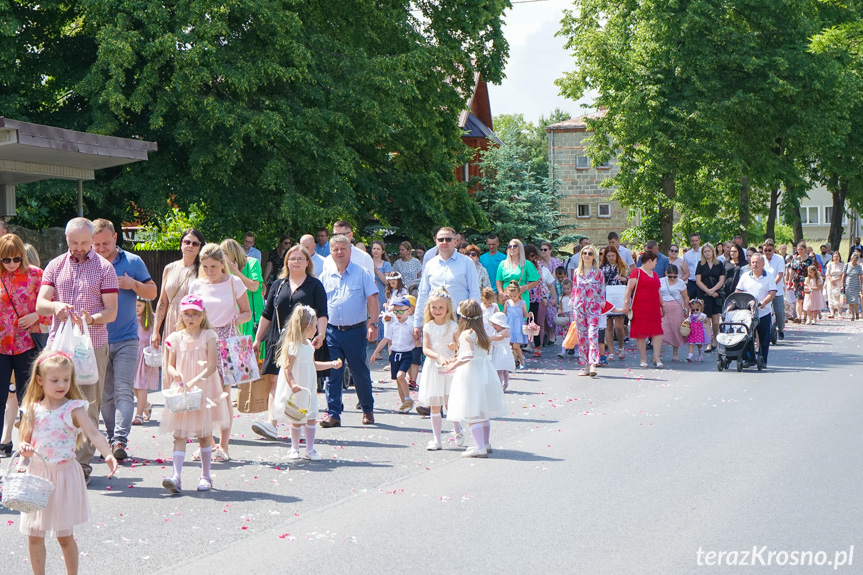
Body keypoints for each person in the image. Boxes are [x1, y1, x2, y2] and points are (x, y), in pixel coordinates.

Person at [18, 350, 118, 573]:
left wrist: (108, 452)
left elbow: (93, 432)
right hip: (37, 477)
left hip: (64, 477)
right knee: (34, 536)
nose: (61, 384)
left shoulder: (74, 408)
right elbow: (24, 441)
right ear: (40, 380)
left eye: (66, 379)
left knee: (65, 537)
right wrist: (24, 450)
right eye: (55, 380)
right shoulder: (32, 409)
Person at [36, 218, 118, 484]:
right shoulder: (55, 265)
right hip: (58, 348)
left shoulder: (104, 268)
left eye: (84, 242)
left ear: (92, 240)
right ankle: (55, 461)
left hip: (92, 345)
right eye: (74, 242)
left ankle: (81, 467)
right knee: (53, 403)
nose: (79, 247)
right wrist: (56, 307)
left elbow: (111, 312)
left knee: (88, 406)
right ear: (66, 238)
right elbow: (40, 303)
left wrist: (91, 319)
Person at [92, 219, 158, 459]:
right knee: (105, 394)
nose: (100, 248)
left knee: (123, 390)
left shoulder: (132, 261)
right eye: (96, 244)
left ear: (115, 238)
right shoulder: (88, 264)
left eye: (105, 243)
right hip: (98, 338)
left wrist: (133, 284)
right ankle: (111, 439)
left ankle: (120, 440)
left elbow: (152, 292)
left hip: (128, 338)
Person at [251, 245, 327, 440]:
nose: (295, 262)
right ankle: (272, 424)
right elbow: (266, 314)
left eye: (300, 259)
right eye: (292, 259)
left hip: (303, 340)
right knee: (275, 380)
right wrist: (258, 339)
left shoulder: (315, 285)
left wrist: (321, 334)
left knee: (299, 381)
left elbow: (322, 313)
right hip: (278, 338)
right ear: (286, 262)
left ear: (307, 262)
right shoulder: (278, 285)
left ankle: (299, 424)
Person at [159, 295, 230, 493]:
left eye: (195, 314)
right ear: (181, 315)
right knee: (179, 434)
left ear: (202, 315)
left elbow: (212, 366)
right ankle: (176, 477)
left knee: (204, 434)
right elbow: (170, 366)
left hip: (203, 388)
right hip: (182, 390)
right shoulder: (175, 337)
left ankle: (206, 476)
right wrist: (178, 377)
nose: (190, 318)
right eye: (187, 314)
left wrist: (193, 381)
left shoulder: (208, 336)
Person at [188, 243, 251, 461]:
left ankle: (224, 446)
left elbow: (247, 313)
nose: (209, 271)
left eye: (213, 266)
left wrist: (237, 318)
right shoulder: (196, 285)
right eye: (205, 266)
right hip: (202, 339)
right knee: (202, 395)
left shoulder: (234, 282)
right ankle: (206, 443)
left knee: (223, 395)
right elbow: (189, 314)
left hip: (226, 341)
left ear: (223, 264)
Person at [319, 235, 379, 427]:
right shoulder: (325, 276)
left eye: (342, 249)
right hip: (331, 332)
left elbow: (372, 300)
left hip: (355, 331)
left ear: (350, 251)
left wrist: (373, 324)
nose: (339, 252)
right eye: (335, 249)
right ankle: (334, 413)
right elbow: (320, 306)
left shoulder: (361, 273)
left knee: (359, 372)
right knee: (333, 374)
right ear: (331, 252)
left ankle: (367, 410)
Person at [272, 305, 342, 461]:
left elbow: (313, 365)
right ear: (309, 326)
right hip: (298, 388)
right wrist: (293, 384)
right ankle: (294, 448)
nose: (317, 328)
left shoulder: (309, 346)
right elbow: (287, 369)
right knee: (296, 418)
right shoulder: (293, 346)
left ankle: (310, 449)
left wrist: (331, 364)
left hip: (308, 387)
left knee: (310, 417)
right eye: (316, 325)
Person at [440, 299, 506, 458]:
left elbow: (468, 355)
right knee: (482, 410)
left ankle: (479, 447)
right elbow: (474, 354)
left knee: (472, 411)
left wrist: (452, 366)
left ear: (462, 317)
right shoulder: (481, 332)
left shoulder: (465, 334)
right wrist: (455, 359)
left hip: (471, 374)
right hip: (484, 372)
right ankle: (486, 443)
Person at [0, 234, 48, 454]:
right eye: (6, 260)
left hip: (26, 344)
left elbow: (48, 309)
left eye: (16, 259)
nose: (11, 264)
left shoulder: (36, 276)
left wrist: (35, 316)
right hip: (0, 346)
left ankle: (28, 448)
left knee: (28, 400)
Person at [414, 227, 481, 342]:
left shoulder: (466, 262)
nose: (444, 242)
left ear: (456, 242)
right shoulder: (430, 264)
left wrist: (475, 320)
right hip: (435, 316)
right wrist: (417, 323)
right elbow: (423, 294)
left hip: (460, 318)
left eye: (448, 239)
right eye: (441, 239)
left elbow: (474, 292)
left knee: (460, 355)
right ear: (436, 241)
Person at [416, 289, 461, 450]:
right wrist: (437, 356)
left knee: (450, 403)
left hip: (450, 367)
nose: (437, 311)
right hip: (433, 367)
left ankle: (457, 429)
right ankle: (437, 439)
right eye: (434, 308)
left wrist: (454, 347)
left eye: (441, 308)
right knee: (435, 404)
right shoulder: (428, 326)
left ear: (448, 309)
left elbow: (461, 347)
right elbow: (425, 349)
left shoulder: (453, 326)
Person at [151, 228, 205, 352]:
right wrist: (155, 331)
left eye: (195, 243)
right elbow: (162, 302)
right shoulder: (169, 268)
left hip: (193, 321)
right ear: (181, 244)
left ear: (200, 247)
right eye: (187, 242)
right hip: (172, 319)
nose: (190, 246)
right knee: (170, 362)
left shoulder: (203, 270)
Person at [371, 296, 415, 413]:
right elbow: (386, 339)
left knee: (401, 376)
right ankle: (404, 404)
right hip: (394, 354)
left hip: (406, 354)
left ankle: (408, 399)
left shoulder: (411, 324)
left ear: (409, 311)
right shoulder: (393, 324)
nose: (398, 314)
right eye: (395, 311)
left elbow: (417, 340)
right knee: (398, 380)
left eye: (401, 311)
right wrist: (375, 352)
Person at [623, 251, 664, 368]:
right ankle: (643, 358)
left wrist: (662, 305)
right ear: (650, 260)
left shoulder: (655, 274)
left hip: (654, 307)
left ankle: (656, 357)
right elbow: (629, 289)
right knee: (641, 333)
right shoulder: (637, 272)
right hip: (640, 307)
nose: (656, 264)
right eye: (655, 261)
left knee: (657, 332)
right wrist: (626, 303)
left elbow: (658, 291)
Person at [735, 253, 777, 366]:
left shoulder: (769, 276)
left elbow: (772, 292)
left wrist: (764, 302)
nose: (754, 264)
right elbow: (738, 291)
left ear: (763, 264)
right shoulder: (745, 276)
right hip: (748, 313)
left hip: (763, 312)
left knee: (764, 337)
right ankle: (750, 359)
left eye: (757, 262)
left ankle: (763, 360)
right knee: (747, 337)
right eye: (753, 262)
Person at [221, 238, 264, 342]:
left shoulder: (252, 263)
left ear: (232, 253)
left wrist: (236, 272)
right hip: (235, 316)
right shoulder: (225, 268)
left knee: (252, 353)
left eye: (224, 253)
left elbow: (254, 287)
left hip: (253, 315)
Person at [572, 244, 605, 377]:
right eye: (584, 253)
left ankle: (593, 364)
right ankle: (585, 365)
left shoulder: (598, 272)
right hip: (579, 307)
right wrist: (572, 301)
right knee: (582, 337)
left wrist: (602, 300)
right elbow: (575, 287)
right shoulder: (576, 272)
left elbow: (602, 288)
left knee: (592, 335)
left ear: (593, 256)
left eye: (589, 253)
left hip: (593, 307)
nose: (586, 255)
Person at [599, 245, 628, 361]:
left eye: (613, 255)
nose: (611, 258)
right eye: (609, 256)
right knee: (608, 326)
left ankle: (621, 346)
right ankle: (611, 351)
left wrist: (624, 279)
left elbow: (630, 279)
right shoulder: (602, 268)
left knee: (619, 326)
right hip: (606, 297)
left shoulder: (622, 266)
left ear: (617, 255)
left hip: (619, 296)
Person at [694, 243, 725, 352]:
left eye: (709, 251)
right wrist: (708, 291)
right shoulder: (700, 264)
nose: (707, 253)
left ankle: (715, 339)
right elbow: (698, 280)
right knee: (706, 320)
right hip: (704, 294)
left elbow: (722, 280)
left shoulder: (719, 264)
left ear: (713, 252)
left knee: (716, 321)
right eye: (705, 251)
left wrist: (713, 290)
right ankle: (708, 343)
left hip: (716, 294)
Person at [495, 238, 539, 313]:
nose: (512, 248)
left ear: (520, 249)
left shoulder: (526, 264)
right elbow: (498, 280)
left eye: (515, 246)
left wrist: (526, 287)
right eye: (510, 246)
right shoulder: (502, 264)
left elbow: (536, 280)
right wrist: (501, 293)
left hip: (520, 296)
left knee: (520, 320)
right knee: (505, 320)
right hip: (506, 296)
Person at [132, 298, 158, 425]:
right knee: (133, 386)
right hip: (132, 354)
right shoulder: (130, 317)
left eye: (139, 305)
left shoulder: (152, 318)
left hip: (145, 356)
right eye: (135, 305)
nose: (136, 308)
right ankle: (146, 405)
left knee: (141, 385)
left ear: (146, 306)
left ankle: (139, 415)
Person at [525, 244, 553, 356]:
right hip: (524, 295)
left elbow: (541, 282)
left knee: (534, 321)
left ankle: (537, 346)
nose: (531, 258)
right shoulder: (522, 265)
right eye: (529, 256)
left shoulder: (538, 266)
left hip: (535, 297)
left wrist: (544, 297)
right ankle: (526, 344)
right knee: (525, 321)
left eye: (533, 256)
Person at [659, 264, 689, 362]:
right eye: (670, 276)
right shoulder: (661, 281)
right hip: (663, 307)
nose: (672, 278)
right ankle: (658, 353)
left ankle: (675, 353)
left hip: (676, 308)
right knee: (661, 330)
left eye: (674, 276)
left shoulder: (680, 283)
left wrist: (687, 309)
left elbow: (685, 297)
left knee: (676, 329)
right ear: (666, 274)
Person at [762, 239, 786, 340]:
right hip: (764, 290)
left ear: (774, 250)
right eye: (765, 250)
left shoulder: (779, 259)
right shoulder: (761, 259)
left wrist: (772, 285)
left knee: (779, 312)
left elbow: (780, 274)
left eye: (769, 250)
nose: (767, 252)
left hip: (777, 290)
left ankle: (780, 329)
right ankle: (767, 331)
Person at [370, 240, 393, 339]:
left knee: (380, 318)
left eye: (378, 249)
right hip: (369, 293)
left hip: (382, 294)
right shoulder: (368, 262)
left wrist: (376, 271)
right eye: (374, 248)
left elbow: (387, 282)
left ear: (382, 251)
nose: (375, 251)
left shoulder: (386, 264)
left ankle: (381, 343)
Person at [504, 281, 529, 369]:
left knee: (516, 346)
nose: (513, 298)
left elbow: (524, 315)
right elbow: (504, 314)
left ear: (519, 293)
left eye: (514, 296)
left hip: (518, 327)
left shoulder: (522, 303)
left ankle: (522, 359)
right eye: (511, 296)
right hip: (510, 326)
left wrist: (528, 315)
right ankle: (514, 361)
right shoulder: (507, 303)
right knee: (511, 346)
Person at [488, 311, 515, 391]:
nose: (494, 326)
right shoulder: (495, 331)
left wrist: (492, 338)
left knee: (502, 369)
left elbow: (500, 337)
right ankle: (501, 384)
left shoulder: (505, 331)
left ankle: (502, 384)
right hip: (497, 351)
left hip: (503, 352)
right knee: (499, 369)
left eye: (496, 324)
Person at [789, 242, 814, 322]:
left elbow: (813, 271)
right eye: (798, 249)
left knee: (806, 299)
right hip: (797, 281)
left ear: (805, 250)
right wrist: (789, 283)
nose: (800, 251)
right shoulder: (795, 260)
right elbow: (792, 272)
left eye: (801, 249)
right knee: (798, 300)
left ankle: (805, 317)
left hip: (807, 281)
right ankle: (799, 317)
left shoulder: (810, 259)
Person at [842, 252, 863, 320]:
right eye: (854, 260)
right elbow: (844, 275)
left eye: (856, 260)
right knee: (850, 300)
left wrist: (861, 286)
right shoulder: (847, 265)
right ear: (851, 259)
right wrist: (842, 285)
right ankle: (852, 314)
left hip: (856, 285)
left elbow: (860, 277)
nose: (854, 262)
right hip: (848, 284)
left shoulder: (859, 267)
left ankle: (856, 312)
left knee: (855, 300)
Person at [556, 279, 574, 358]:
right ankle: (563, 351)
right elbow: (560, 307)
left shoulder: (573, 297)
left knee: (574, 335)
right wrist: (559, 311)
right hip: (565, 318)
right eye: (565, 289)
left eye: (568, 289)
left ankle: (576, 351)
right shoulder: (562, 298)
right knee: (565, 335)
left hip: (573, 317)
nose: (567, 290)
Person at [825, 251, 845, 318]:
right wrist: (831, 280)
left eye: (837, 256)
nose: (836, 258)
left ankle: (839, 313)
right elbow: (827, 274)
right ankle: (832, 313)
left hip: (839, 282)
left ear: (839, 257)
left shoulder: (842, 265)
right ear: (832, 257)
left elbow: (843, 275)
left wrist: (836, 280)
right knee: (830, 296)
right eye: (834, 256)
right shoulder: (830, 264)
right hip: (830, 282)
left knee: (838, 297)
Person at [683, 233, 702, 298]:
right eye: (693, 241)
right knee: (691, 302)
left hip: (703, 281)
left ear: (699, 241)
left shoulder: (704, 252)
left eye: (696, 240)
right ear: (690, 242)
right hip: (691, 281)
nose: (694, 243)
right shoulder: (687, 255)